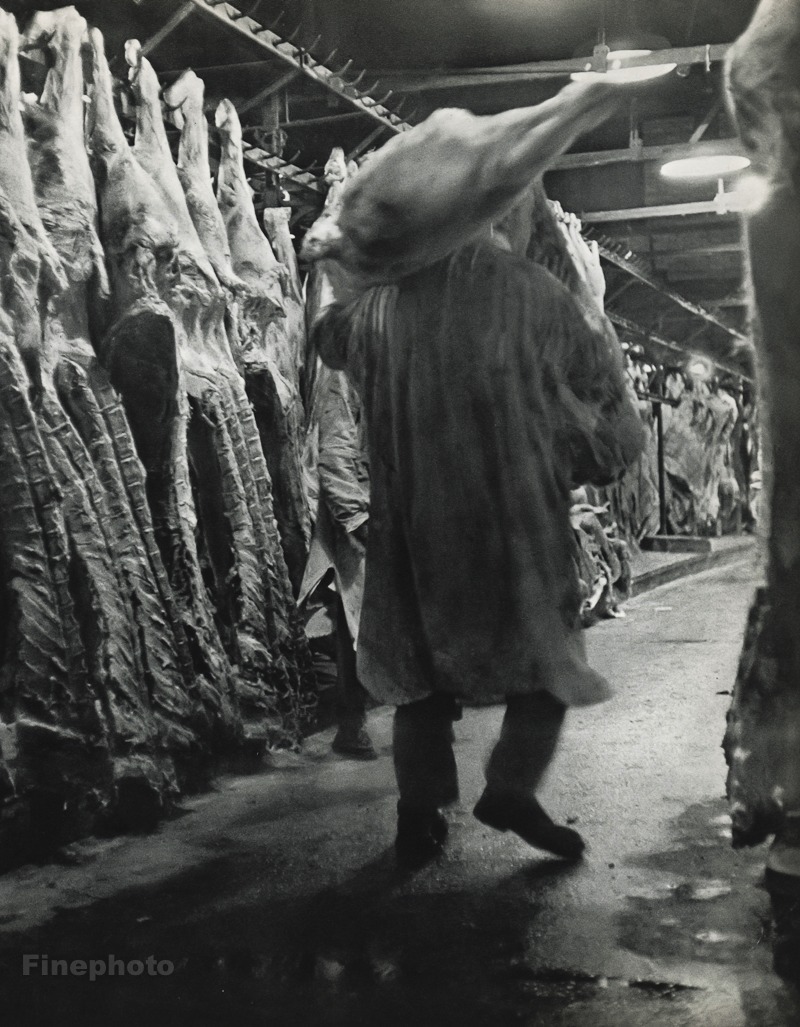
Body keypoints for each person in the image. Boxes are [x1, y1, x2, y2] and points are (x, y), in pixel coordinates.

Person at [310, 200, 645, 867]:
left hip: (415, 528)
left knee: (421, 685)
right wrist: (584, 462)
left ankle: (417, 812)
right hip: (514, 526)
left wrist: (342, 264)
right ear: (496, 219)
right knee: (547, 669)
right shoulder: (532, 293)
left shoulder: (384, 303)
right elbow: (604, 400)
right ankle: (512, 787)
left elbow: (330, 341)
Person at [298, 364, 376, 760]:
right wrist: (356, 519)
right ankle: (351, 720)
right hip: (359, 515)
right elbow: (336, 449)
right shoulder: (346, 373)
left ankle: (435, 718)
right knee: (354, 620)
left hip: (397, 511)